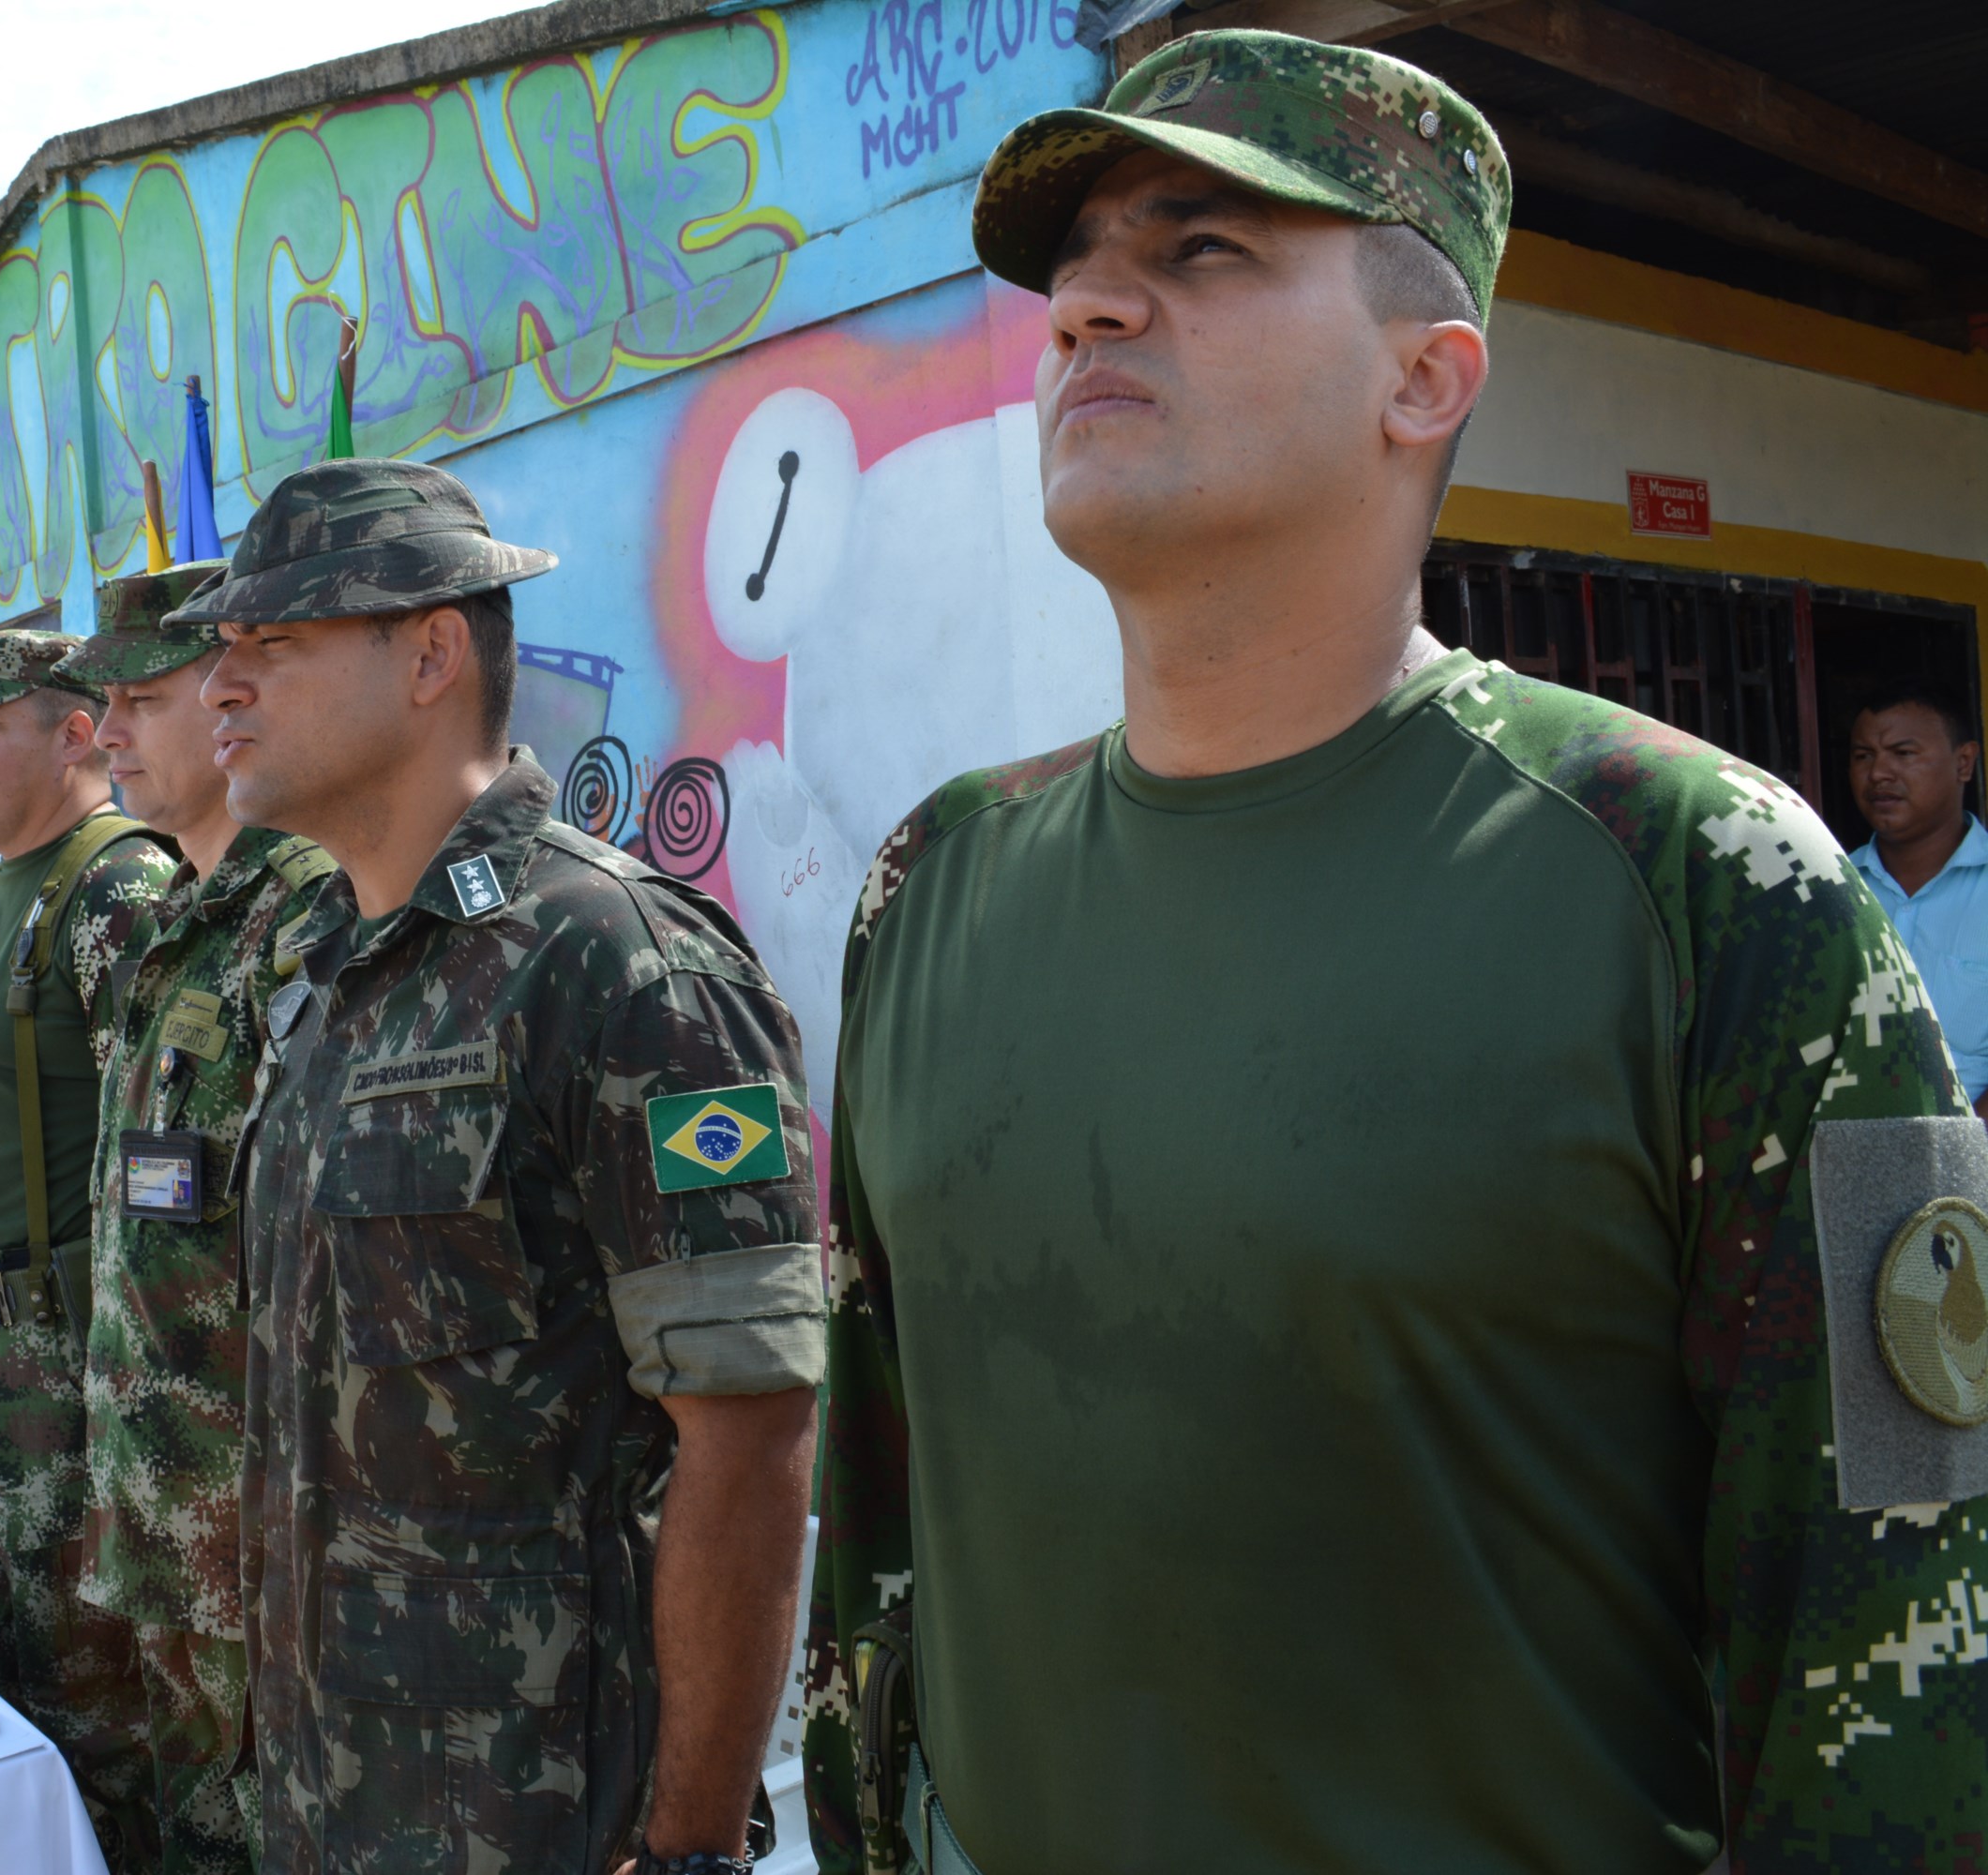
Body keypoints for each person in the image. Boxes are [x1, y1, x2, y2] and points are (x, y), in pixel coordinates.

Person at [805, 30, 1988, 1874]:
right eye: (1082, 266)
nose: (1088, 307)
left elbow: (1904, 1600)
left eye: (1200, 253)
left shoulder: (1715, 880)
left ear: (1426, 381)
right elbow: (878, 1537)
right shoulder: (933, 885)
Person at [179, 458, 826, 1875]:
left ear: (428, 652)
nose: (221, 686)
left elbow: (751, 1428)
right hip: (334, 1790)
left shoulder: (619, 963)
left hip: (544, 1817)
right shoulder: (332, 975)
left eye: (270, 647)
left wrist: (697, 1843)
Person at [63, 559, 318, 1871]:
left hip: (258, 1546)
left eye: (137, 698)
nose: (106, 732)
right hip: (162, 1519)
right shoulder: (182, 928)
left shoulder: (313, 923)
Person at [0, 629, 178, 1858]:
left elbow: (170, 1150)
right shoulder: (6, 883)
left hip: (62, 1356)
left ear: (79, 734)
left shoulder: (111, 886)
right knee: (27, 1660)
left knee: (95, 1692)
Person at [1848, 683, 1988, 1116]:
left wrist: (1967, 1153)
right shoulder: (1828, 887)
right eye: (1863, 756)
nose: (1878, 774)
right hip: (1842, 1162)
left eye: (1903, 753)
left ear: (1963, 762)